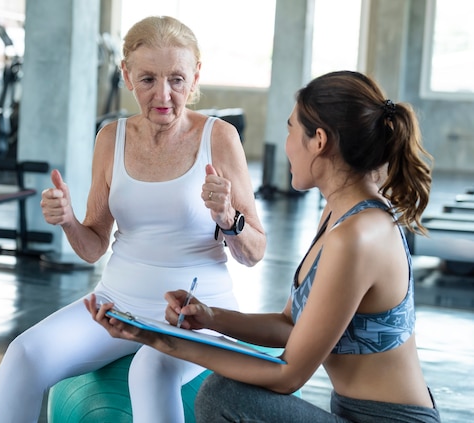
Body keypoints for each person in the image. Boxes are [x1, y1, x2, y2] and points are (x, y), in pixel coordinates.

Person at [87, 70, 442, 422]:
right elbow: (290, 324)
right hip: (351, 413)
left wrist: (159, 339)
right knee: (227, 388)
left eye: (290, 129)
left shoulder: (359, 235)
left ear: (319, 141)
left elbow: (288, 375)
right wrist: (210, 317)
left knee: (223, 396)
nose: (285, 143)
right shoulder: (340, 211)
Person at [0, 15, 265, 423]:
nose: (163, 94)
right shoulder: (110, 138)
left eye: (177, 79)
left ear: (196, 75)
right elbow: (94, 243)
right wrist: (67, 221)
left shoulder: (218, 137)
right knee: (23, 355)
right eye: (148, 79)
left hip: (197, 313)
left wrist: (227, 216)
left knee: (149, 371)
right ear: (127, 76)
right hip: (116, 304)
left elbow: (254, 252)